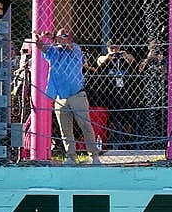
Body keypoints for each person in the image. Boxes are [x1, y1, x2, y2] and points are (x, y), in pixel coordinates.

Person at [32, 29, 102, 165]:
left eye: (64, 36)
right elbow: (41, 47)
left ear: (70, 38)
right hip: (60, 96)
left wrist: (54, 37)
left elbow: (67, 44)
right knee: (65, 129)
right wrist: (37, 39)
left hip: (77, 94)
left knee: (85, 126)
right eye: (60, 36)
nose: (60, 39)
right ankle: (71, 156)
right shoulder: (54, 51)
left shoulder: (75, 49)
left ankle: (94, 156)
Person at [94, 40, 137, 148]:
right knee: (111, 120)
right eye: (112, 48)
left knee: (127, 120)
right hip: (110, 93)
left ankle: (127, 143)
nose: (114, 50)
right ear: (108, 48)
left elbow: (132, 60)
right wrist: (108, 57)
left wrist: (124, 55)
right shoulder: (105, 58)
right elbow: (100, 61)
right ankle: (111, 142)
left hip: (125, 93)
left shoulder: (124, 58)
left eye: (116, 48)